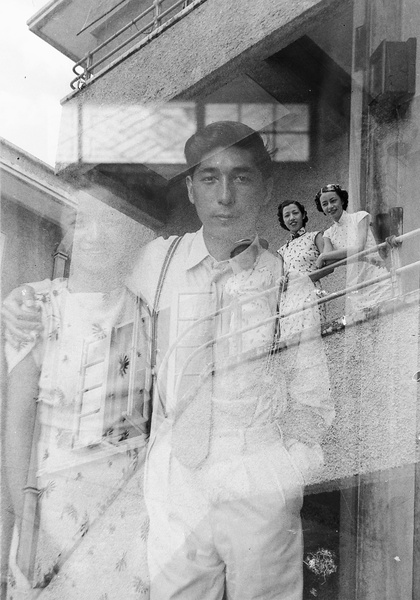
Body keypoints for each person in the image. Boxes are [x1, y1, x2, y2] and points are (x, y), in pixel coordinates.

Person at [3, 122, 334, 600]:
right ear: (191, 189)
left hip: (257, 480)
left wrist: (283, 477)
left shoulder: (292, 288)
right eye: (209, 179)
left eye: (241, 178)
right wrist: (20, 301)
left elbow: (313, 404)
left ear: (267, 189)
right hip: (173, 485)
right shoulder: (156, 261)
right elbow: (88, 279)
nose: (224, 196)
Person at [3, 193, 151, 599]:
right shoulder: (37, 306)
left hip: (125, 511)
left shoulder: (146, 310)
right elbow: (17, 425)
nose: (94, 236)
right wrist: (28, 519)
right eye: (81, 221)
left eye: (109, 222)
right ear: (66, 230)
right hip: (51, 508)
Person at [314, 183, 392, 313]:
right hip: (355, 285)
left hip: (376, 275)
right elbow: (328, 263)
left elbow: (359, 247)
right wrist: (325, 257)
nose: (330, 206)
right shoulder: (328, 234)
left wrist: (323, 256)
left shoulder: (360, 217)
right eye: (325, 204)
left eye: (333, 201)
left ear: (342, 200)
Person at [277, 200, 330, 327]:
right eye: (287, 215)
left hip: (310, 294)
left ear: (303, 215)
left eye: (295, 213)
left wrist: (304, 279)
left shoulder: (315, 236)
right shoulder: (282, 251)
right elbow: (280, 282)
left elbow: (329, 267)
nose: (292, 218)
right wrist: (280, 282)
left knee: (313, 334)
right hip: (289, 300)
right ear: (283, 221)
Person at [225, 238, 274, 353]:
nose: (244, 256)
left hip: (261, 321)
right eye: (239, 254)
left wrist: (275, 321)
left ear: (255, 255)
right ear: (235, 259)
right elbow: (227, 310)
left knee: (263, 354)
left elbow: (273, 300)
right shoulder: (231, 282)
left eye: (248, 252)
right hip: (239, 325)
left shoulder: (264, 274)